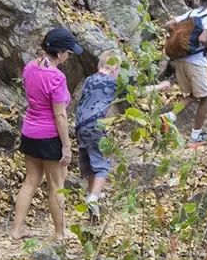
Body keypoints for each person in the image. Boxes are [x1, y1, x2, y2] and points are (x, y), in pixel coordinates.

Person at [75, 50, 171, 220]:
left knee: (91, 163)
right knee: (103, 164)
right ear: (115, 69)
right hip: (97, 125)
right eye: (118, 71)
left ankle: (92, 194)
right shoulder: (112, 83)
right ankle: (93, 198)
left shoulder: (89, 80)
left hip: (80, 126)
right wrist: (159, 87)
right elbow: (137, 92)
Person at [12, 28, 83, 241]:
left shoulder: (30, 67)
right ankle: (60, 232)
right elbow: (60, 115)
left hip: (29, 131)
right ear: (60, 53)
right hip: (50, 135)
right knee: (56, 184)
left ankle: (17, 229)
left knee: (31, 180)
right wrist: (66, 146)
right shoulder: (57, 78)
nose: (69, 56)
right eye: (68, 52)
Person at [162, 0, 207, 147]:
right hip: (196, 63)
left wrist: (181, 41)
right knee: (206, 98)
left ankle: (169, 117)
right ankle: (195, 136)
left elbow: (168, 24)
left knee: (193, 95)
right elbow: (203, 39)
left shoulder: (191, 13)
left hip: (181, 61)